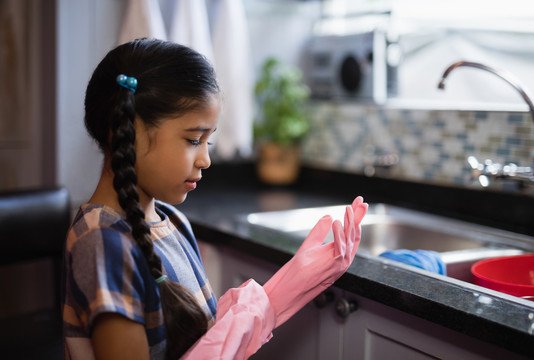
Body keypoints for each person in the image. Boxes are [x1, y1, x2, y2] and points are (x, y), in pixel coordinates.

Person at [62, 38, 368, 360]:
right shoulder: (102, 243)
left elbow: (204, 338)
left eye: (209, 140)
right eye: (194, 139)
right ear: (126, 130)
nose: (205, 159)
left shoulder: (173, 222)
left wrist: (287, 287)